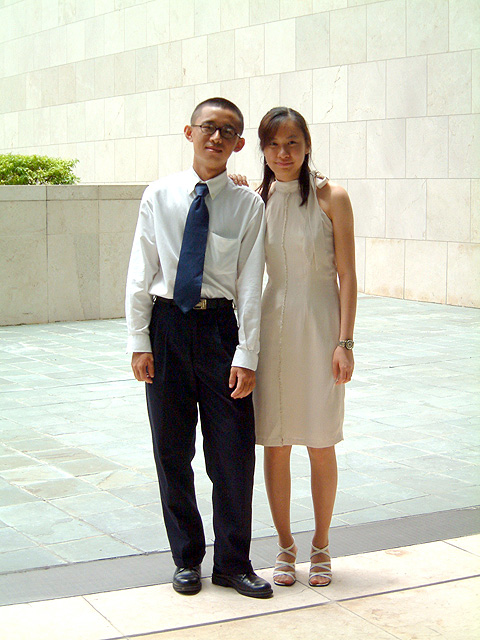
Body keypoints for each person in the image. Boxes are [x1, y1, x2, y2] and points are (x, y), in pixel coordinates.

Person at [125, 97, 272, 599]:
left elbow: (250, 283)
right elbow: (142, 269)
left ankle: (233, 563)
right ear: (189, 133)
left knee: (233, 453)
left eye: (228, 131)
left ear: (239, 143)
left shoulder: (248, 205)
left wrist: (247, 354)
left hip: (220, 332)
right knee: (171, 451)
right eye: (208, 127)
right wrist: (139, 339)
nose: (217, 137)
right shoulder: (159, 194)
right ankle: (186, 559)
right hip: (166, 328)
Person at [233, 107, 356, 587]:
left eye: (292, 144)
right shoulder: (257, 199)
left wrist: (344, 341)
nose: (283, 153)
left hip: (320, 327)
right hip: (273, 328)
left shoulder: (332, 197)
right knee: (277, 441)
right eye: (273, 144)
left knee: (321, 441)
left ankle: (321, 544)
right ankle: (285, 545)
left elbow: (347, 276)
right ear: (262, 149)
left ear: (307, 146)